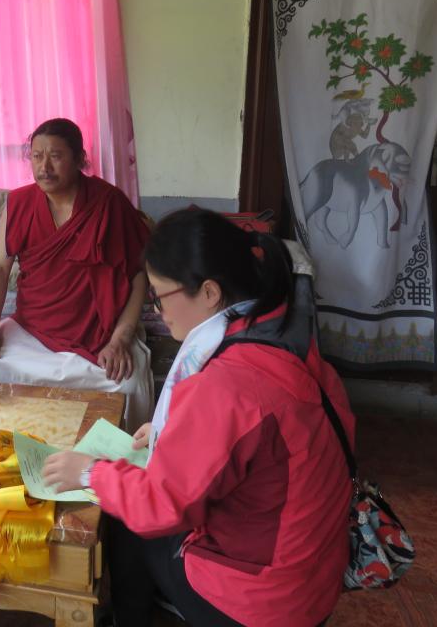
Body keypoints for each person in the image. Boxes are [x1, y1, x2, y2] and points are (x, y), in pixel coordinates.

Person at [43, 208, 354, 627]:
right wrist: (174, 431)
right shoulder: (286, 339)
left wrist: (89, 473)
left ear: (209, 292)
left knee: (126, 518)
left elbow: (159, 506)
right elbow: (263, 437)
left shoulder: (225, 385)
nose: (157, 311)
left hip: (265, 599)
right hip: (315, 571)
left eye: (159, 297)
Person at [0, 118, 153, 428]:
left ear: (79, 159)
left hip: (99, 333)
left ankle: (118, 454)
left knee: (128, 380)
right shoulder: (20, 203)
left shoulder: (109, 203)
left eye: (55, 156)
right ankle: (5, 447)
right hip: (33, 328)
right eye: (37, 156)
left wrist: (120, 339)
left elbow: (137, 277)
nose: (44, 167)